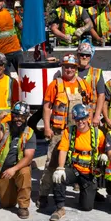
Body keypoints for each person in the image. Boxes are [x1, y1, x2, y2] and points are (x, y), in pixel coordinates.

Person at [39, 54, 94, 200]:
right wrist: (46, 127)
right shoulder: (55, 84)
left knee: (81, 161)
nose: (69, 69)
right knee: (52, 163)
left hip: (79, 131)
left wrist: (89, 124)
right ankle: (44, 194)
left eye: (72, 67)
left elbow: (90, 105)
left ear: (76, 68)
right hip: (59, 131)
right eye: (66, 66)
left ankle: (84, 189)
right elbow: (47, 107)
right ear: (62, 67)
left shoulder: (83, 84)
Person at [48, 105, 107, 221]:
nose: (80, 122)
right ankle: (59, 208)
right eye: (77, 119)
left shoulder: (97, 133)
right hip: (74, 169)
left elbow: (103, 148)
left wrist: (103, 155)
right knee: (59, 177)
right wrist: (60, 168)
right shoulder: (69, 132)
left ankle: (91, 192)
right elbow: (63, 150)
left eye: (83, 118)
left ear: (88, 118)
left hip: (89, 172)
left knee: (87, 207)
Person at [0, 102, 37, 219]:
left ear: (26, 117)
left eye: (22, 117)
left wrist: (14, 169)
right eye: (16, 116)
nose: (19, 119)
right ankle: (13, 191)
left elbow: (28, 157)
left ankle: (23, 206)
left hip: (18, 168)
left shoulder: (29, 132)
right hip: (3, 170)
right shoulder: (4, 127)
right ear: (12, 116)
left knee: (25, 172)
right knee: (7, 204)